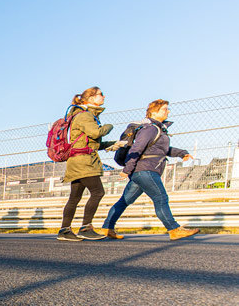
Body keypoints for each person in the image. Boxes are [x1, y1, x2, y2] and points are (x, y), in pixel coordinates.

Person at [102, 99, 200, 241]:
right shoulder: (150, 128)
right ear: (154, 112)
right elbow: (137, 148)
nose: (168, 111)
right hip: (146, 170)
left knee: (125, 200)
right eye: (165, 109)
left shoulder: (157, 129)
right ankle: (174, 229)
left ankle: (107, 227)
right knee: (161, 198)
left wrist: (181, 153)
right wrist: (127, 169)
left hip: (141, 172)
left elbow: (162, 149)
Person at [57, 87, 124, 242]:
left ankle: (64, 230)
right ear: (92, 98)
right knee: (98, 192)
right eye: (101, 94)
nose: (104, 97)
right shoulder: (85, 115)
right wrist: (109, 126)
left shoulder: (80, 115)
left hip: (78, 160)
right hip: (84, 162)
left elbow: (90, 142)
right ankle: (86, 228)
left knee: (74, 197)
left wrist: (113, 144)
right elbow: (96, 133)